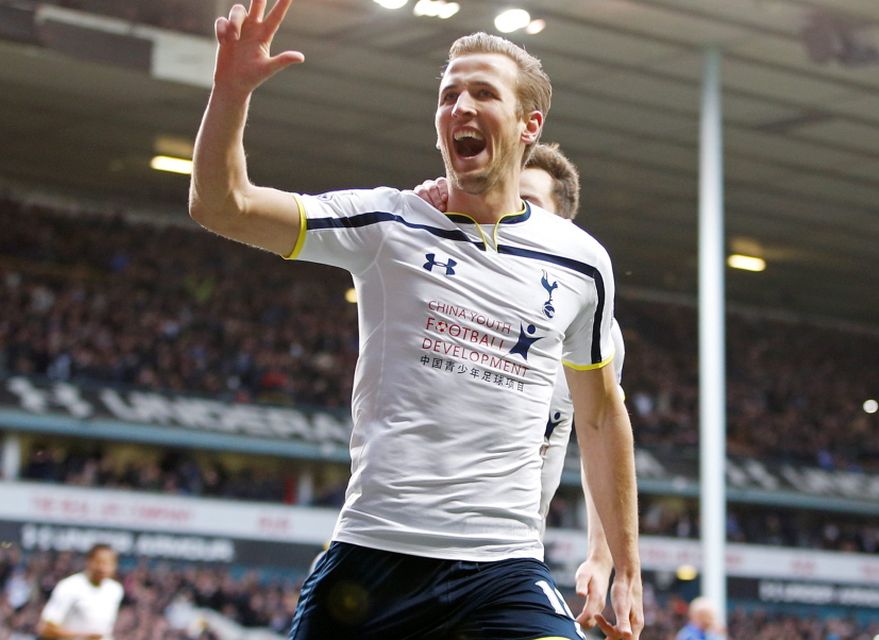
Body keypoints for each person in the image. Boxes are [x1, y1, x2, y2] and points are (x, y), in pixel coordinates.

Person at [189, 1, 643, 638]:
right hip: (375, 560)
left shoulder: (582, 263)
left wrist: (622, 561)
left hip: (502, 569)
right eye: (448, 94)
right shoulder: (387, 224)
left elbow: (598, 415)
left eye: (483, 92)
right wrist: (230, 91)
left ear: (528, 124)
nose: (460, 106)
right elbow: (223, 205)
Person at [414, 142, 627, 632]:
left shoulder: (592, 331)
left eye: (526, 202)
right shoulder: (455, 286)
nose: (508, 210)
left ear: (564, 230)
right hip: (412, 544)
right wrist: (425, 205)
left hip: (508, 554)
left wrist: (601, 556)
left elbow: (597, 438)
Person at [37, 544, 124, 640]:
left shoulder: (115, 590)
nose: (102, 568)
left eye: (108, 563)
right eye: (99, 562)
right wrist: (83, 636)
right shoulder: (70, 586)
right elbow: (46, 629)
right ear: (88, 561)